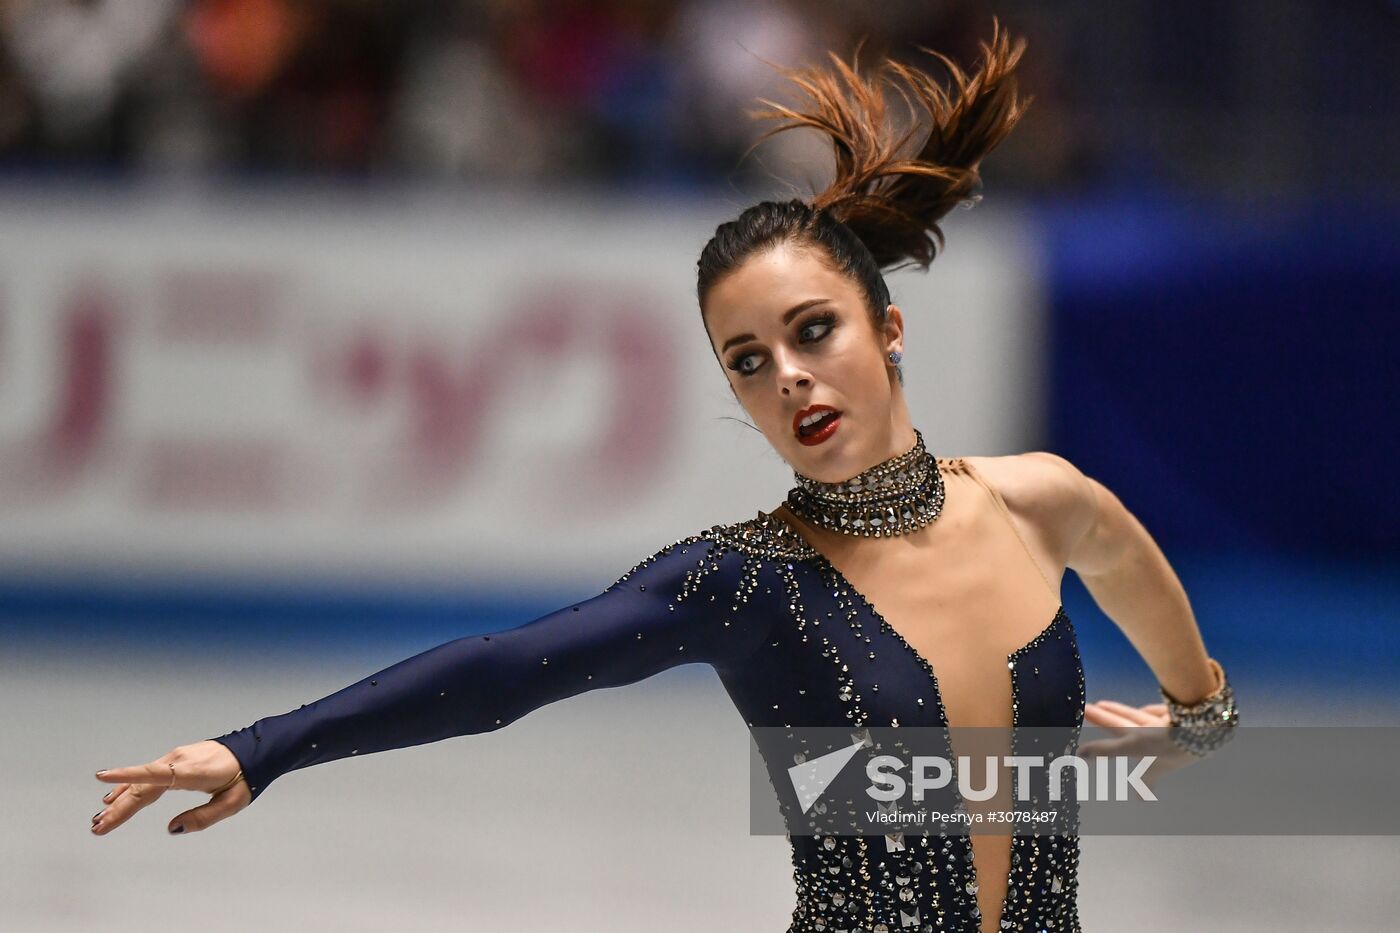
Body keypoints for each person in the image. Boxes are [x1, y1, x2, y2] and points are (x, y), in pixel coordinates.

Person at [89, 20, 1238, 933]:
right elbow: (501, 672)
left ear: (885, 328)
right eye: (748, 361)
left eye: (811, 331)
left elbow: (1124, 557)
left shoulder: (1034, 499)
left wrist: (1195, 718)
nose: (787, 377)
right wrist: (262, 748)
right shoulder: (744, 583)